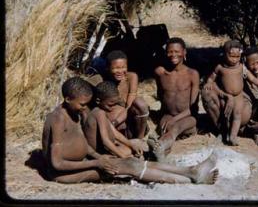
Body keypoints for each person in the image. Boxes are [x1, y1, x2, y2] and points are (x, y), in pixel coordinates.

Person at [42, 77, 219, 184]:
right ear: (67, 99)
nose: (84, 109)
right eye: (82, 104)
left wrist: (98, 157)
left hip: (84, 162)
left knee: (130, 162)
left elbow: (84, 146)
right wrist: (96, 163)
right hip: (64, 174)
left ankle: (191, 172)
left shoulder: (74, 113)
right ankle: (189, 177)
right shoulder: (57, 119)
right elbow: (57, 163)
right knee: (129, 166)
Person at [202, 40, 258, 146]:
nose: (234, 59)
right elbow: (212, 77)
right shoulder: (220, 67)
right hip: (225, 95)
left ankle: (233, 136)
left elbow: (251, 78)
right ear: (224, 54)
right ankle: (224, 133)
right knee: (226, 114)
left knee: (237, 114)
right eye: (231, 56)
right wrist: (209, 82)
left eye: (237, 57)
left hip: (238, 95)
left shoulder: (241, 67)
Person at [152, 37, 199, 161]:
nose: (173, 55)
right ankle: (161, 151)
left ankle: (161, 145)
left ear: (184, 53)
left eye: (177, 51)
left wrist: (175, 119)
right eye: (170, 51)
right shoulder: (160, 73)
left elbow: (193, 108)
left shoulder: (192, 74)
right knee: (164, 128)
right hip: (169, 115)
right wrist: (165, 117)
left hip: (188, 117)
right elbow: (161, 96)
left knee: (176, 127)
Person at [84, 81, 147, 159]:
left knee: (137, 146)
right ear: (98, 101)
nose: (113, 107)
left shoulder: (101, 112)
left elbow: (114, 132)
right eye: (110, 105)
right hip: (100, 154)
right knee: (139, 150)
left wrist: (131, 145)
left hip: (106, 149)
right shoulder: (99, 113)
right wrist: (123, 157)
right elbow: (105, 141)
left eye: (115, 104)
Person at [96, 50, 149, 139]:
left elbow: (129, 106)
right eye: (115, 68)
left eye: (123, 67)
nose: (120, 71)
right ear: (108, 68)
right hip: (112, 122)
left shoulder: (131, 77)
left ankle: (140, 139)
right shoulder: (101, 80)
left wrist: (115, 122)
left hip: (127, 118)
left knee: (140, 103)